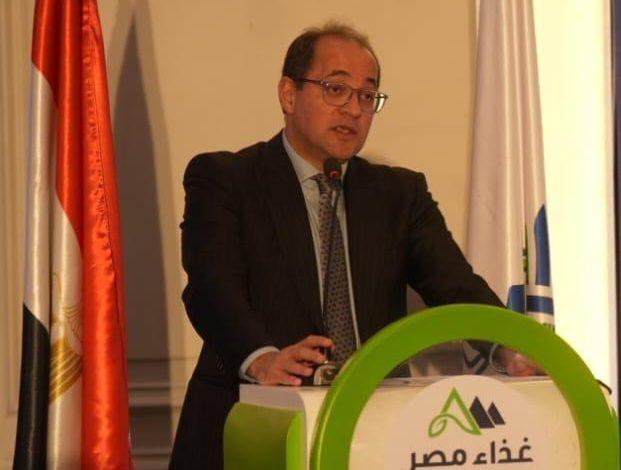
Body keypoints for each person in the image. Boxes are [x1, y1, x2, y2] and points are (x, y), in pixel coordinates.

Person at [169, 22, 540, 469]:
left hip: (374, 435)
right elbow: (211, 288)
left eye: (367, 96)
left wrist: (509, 346)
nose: (353, 109)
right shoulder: (227, 179)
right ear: (288, 94)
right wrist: (262, 358)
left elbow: (456, 286)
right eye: (336, 89)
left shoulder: (399, 194)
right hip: (251, 427)